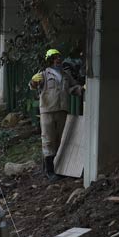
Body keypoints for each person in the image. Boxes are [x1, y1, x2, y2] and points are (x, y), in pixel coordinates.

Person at [29, 48, 82, 181]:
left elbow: (73, 88)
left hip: (62, 110)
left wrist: (83, 88)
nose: (57, 59)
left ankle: (59, 168)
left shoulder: (65, 75)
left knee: (60, 139)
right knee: (48, 139)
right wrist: (33, 81)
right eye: (54, 57)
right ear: (49, 60)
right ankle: (49, 171)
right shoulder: (44, 74)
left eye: (58, 57)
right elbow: (33, 86)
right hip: (47, 110)